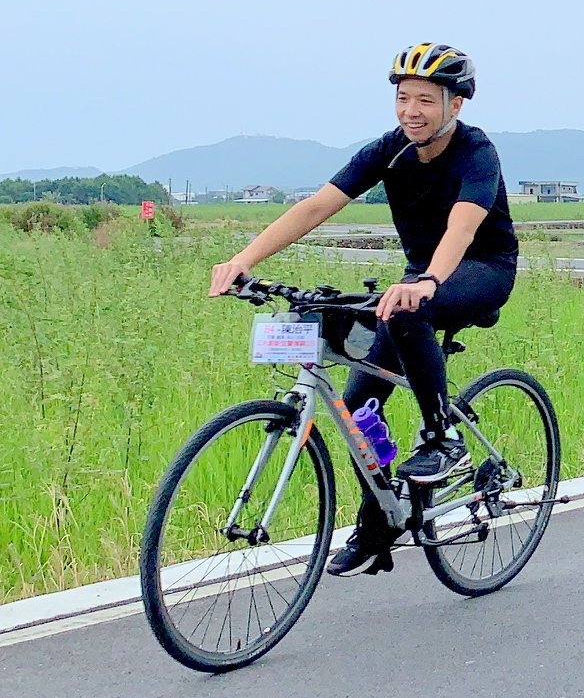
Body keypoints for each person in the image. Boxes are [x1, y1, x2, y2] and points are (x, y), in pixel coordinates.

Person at [207, 42, 519, 577]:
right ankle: (378, 527)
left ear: (456, 105)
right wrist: (242, 260)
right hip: (420, 278)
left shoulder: (476, 152)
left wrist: (426, 280)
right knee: (356, 409)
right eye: (403, 98)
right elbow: (317, 206)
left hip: (479, 269)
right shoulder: (388, 150)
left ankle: (443, 439)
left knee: (403, 312)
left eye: (425, 99)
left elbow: (462, 228)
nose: (410, 111)